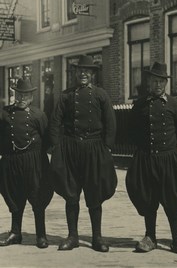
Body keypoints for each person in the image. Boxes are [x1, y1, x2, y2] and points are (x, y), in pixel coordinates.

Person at [126, 62, 177, 256]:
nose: (158, 85)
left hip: (169, 159)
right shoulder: (139, 104)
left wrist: (170, 151)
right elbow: (130, 131)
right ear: (149, 82)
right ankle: (150, 238)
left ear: (166, 83)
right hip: (146, 159)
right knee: (149, 197)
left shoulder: (174, 104)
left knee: (173, 198)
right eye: (154, 80)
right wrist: (143, 149)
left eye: (161, 81)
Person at [49, 55, 117, 252]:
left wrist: (106, 148)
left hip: (94, 149)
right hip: (70, 149)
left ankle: (97, 237)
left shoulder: (101, 95)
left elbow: (110, 123)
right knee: (71, 194)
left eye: (87, 71)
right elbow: (55, 121)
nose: (83, 74)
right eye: (80, 71)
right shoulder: (66, 95)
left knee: (94, 192)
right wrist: (56, 146)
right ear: (76, 73)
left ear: (93, 74)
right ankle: (73, 236)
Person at [0, 78, 53, 248]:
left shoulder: (38, 115)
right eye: (19, 94)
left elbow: (47, 139)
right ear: (14, 94)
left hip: (34, 161)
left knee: (38, 196)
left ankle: (41, 235)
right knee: (14, 196)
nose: (22, 98)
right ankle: (15, 233)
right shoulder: (5, 113)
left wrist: (35, 154)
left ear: (31, 97)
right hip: (11, 161)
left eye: (26, 95)